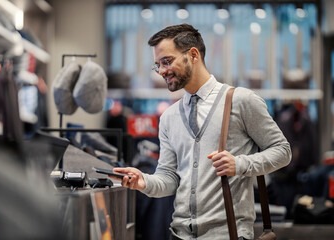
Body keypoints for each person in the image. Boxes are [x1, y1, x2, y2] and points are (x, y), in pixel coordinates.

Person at [113, 24, 291, 240]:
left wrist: (241, 164)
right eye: (157, 65)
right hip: (178, 235)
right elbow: (169, 177)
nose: (161, 71)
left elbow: (282, 150)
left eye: (167, 61)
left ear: (193, 55)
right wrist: (145, 182)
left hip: (228, 235)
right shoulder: (169, 117)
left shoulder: (240, 101)